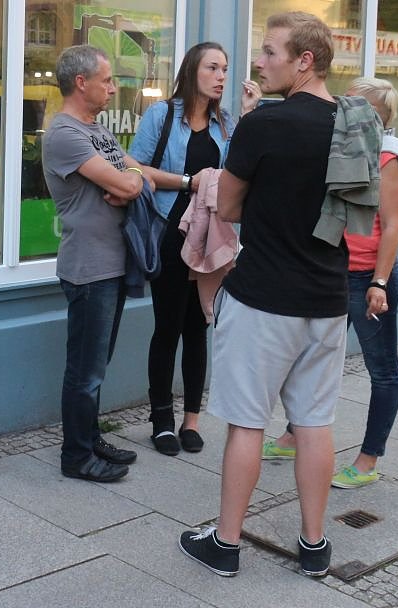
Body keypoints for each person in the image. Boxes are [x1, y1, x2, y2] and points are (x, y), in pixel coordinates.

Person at [177, 12, 380, 579]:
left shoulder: (265, 123)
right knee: (313, 424)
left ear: (304, 60)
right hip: (327, 298)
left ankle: (225, 545)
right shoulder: (353, 121)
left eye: (270, 52)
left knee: (247, 423)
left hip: (263, 297)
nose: (259, 62)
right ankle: (315, 547)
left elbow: (228, 206)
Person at [263, 77, 398, 488]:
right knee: (311, 359)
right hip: (332, 271)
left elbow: (392, 226)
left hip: (368, 280)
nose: (340, 111)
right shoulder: (340, 150)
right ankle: (295, 434)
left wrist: (380, 283)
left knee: (382, 371)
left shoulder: (385, 156)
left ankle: (368, 460)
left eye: (350, 105)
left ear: (374, 116)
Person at [127, 42, 259, 456]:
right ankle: (162, 421)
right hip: (170, 230)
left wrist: (249, 116)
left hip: (211, 235)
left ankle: (191, 421)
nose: (221, 76)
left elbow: (239, 169)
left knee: (198, 327)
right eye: (212, 68)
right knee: (167, 327)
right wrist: (188, 181)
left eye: (225, 69)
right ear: (192, 71)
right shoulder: (162, 115)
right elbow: (133, 166)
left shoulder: (225, 123)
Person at [42, 44, 147, 483]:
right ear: (81, 82)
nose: (113, 88)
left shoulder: (97, 130)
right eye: (106, 80)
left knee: (97, 365)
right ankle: (77, 456)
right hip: (89, 268)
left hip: (112, 264)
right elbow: (128, 182)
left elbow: (134, 174)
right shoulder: (64, 134)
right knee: (84, 370)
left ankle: (91, 438)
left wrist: (136, 181)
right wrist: (130, 182)